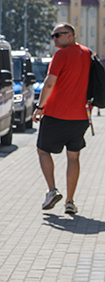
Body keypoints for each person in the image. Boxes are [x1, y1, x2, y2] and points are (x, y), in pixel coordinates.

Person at [33, 23, 93, 215]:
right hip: (81, 116)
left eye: (58, 35)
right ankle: (70, 201)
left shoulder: (61, 55)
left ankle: (52, 191)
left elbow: (49, 84)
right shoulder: (88, 53)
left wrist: (40, 107)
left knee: (43, 150)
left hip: (56, 114)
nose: (55, 39)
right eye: (53, 36)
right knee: (73, 156)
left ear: (71, 36)